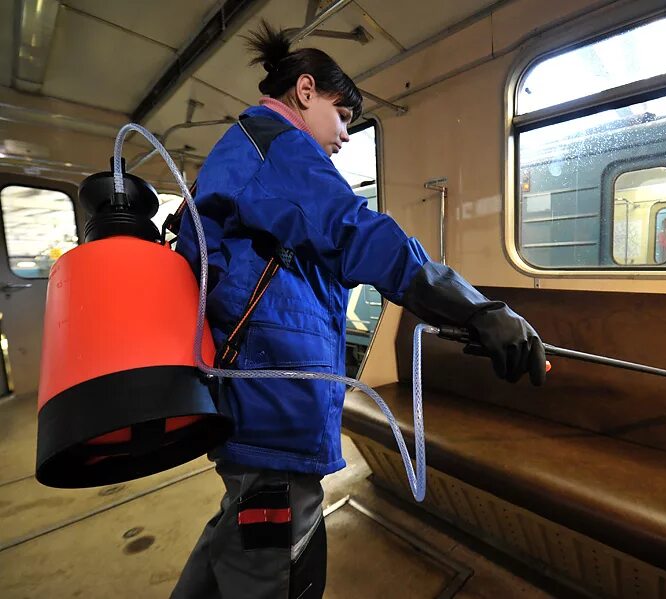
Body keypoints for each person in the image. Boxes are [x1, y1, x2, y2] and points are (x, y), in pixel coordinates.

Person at [170, 21, 545, 599]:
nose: (346, 133)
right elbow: (357, 234)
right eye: (342, 114)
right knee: (274, 565)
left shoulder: (248, 151)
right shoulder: (276, 149)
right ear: (304, 91)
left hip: (259, 388)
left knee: (239, 533)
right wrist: (477, 310)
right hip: (274, 397)